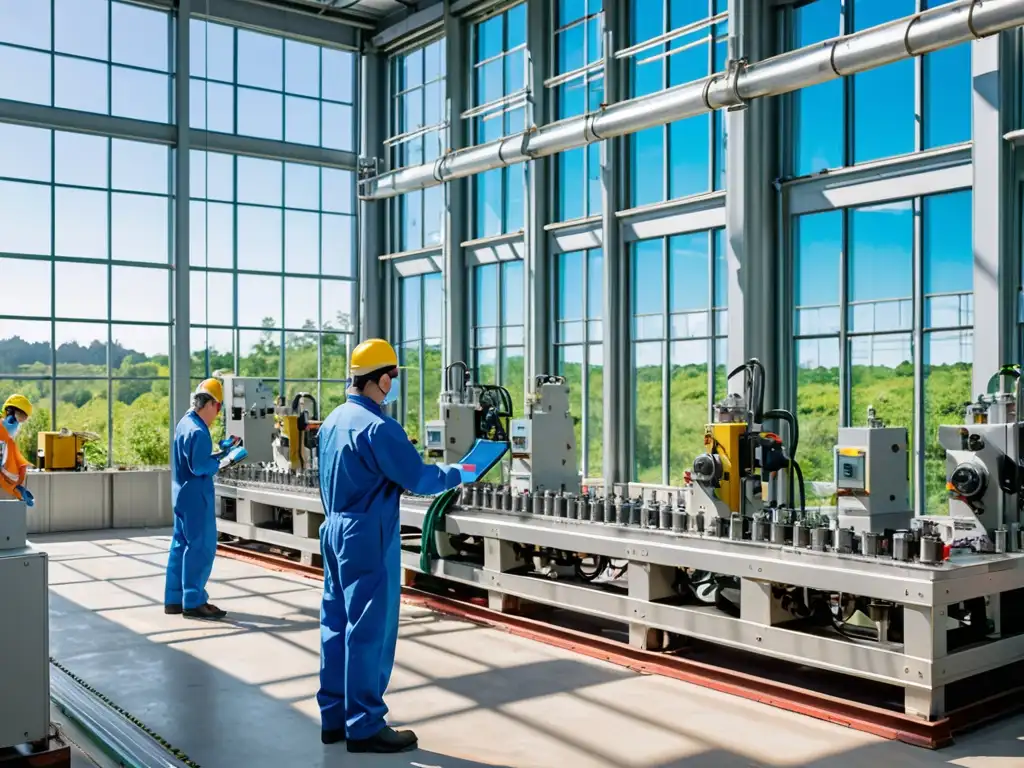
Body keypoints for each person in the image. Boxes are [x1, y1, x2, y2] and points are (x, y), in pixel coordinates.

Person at [318, 338, 462, 754]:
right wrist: (461, 472)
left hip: (334, 529)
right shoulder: (377, 427)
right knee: (368, 628)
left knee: (336, 623)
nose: (392, 385)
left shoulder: (332, 421)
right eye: (393, 378)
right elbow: (418, 478)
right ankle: (363, 724)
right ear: (381, 379)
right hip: (368, 534)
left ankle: (334, 717)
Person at [164, 378, 240, 620]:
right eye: (218, 408)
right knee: (201, 548)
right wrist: (227, 460)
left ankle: (174, 599)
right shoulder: (199, 431)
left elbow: (191, 459)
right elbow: (199, 466)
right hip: (197, 498)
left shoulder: (185, 424)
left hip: (181, 496)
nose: (217, 414)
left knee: (180, 546)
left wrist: (221, 450)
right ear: (209, 404)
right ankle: (194, 601)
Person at [0, 394, 34, 505]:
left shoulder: (7, 442)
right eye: (18, 418)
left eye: (21, 420)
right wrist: (17, 490)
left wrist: (18, 489)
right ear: (8, 412)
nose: (17, 424)